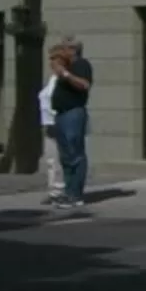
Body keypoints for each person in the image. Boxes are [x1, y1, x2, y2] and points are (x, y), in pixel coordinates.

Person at [48, 35, 94, 211]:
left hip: (73, 113)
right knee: (66, 156)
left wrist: (65, 74)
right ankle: (69, 192)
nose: (61, 51)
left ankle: (76, 194)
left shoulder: (81, 65)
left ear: (73, 50)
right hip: (61, 114)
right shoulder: (66, 67)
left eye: (64, 48)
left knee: (75, 153)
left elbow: (83, 85)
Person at [38, 45, 66, 204]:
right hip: (48, 123)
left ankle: (62, 190)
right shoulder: (52, 79)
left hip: (59, 123)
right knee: (51, 160)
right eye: (51, 59)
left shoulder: (64, 78)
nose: (51, 62)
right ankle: (54, 191)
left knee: (61, 159)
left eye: (54, 59)